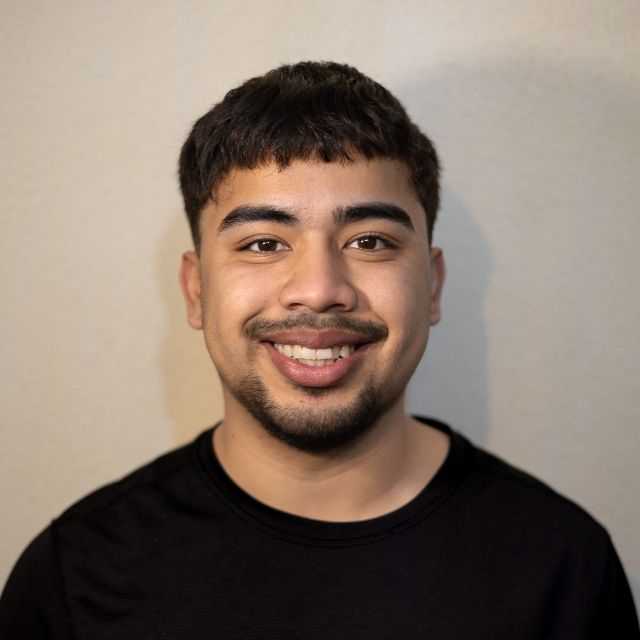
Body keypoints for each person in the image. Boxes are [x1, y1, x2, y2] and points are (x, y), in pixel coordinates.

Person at [1, 61, 637, 639]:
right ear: (196, 291)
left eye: (370, 241)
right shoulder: (73, 580)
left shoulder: (564, 567)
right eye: (263, 244)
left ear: (433, 286)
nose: (318, 289)